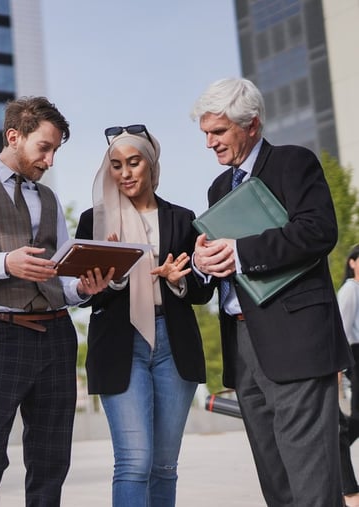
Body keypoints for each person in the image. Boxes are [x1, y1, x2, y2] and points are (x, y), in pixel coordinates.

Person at [0, 96, 112, 507]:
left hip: (58, 336)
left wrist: (83, 289)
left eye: (55, 151)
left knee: (51, 463)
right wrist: (4, 263)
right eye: (43, 148)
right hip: (0, 334)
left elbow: (62, 275)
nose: (49, 160)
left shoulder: (47, 199)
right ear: (14, 137)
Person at [190, 77, 352, 507]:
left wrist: (240, 252)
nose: (209, 143)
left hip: (297, 341)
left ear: (252, 125)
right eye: (205, 133)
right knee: (276, 486)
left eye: (218, 132)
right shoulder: (218, 189)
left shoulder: (293, 163)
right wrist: (204, 264)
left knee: (311, 486)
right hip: (243, 349)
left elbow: (319, 232)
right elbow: (223, 262)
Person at [75, 126, 213, 506]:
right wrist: (110, 280)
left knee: (164, 466)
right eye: (116, 165)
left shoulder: (183, 220)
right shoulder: (95, 220)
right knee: (135, 462)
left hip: (174, 344)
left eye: (133, 163)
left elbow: (204, 290)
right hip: (120, 345)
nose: (125, 173)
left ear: (151, 165)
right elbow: (85, 296)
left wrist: (178, 281)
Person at [338, 245, 359, 506]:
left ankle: (335, 442)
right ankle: (334, 443)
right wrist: (340, 367)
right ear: (352, 262)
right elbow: (340, 328)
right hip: (355, 355)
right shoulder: (349, 290)